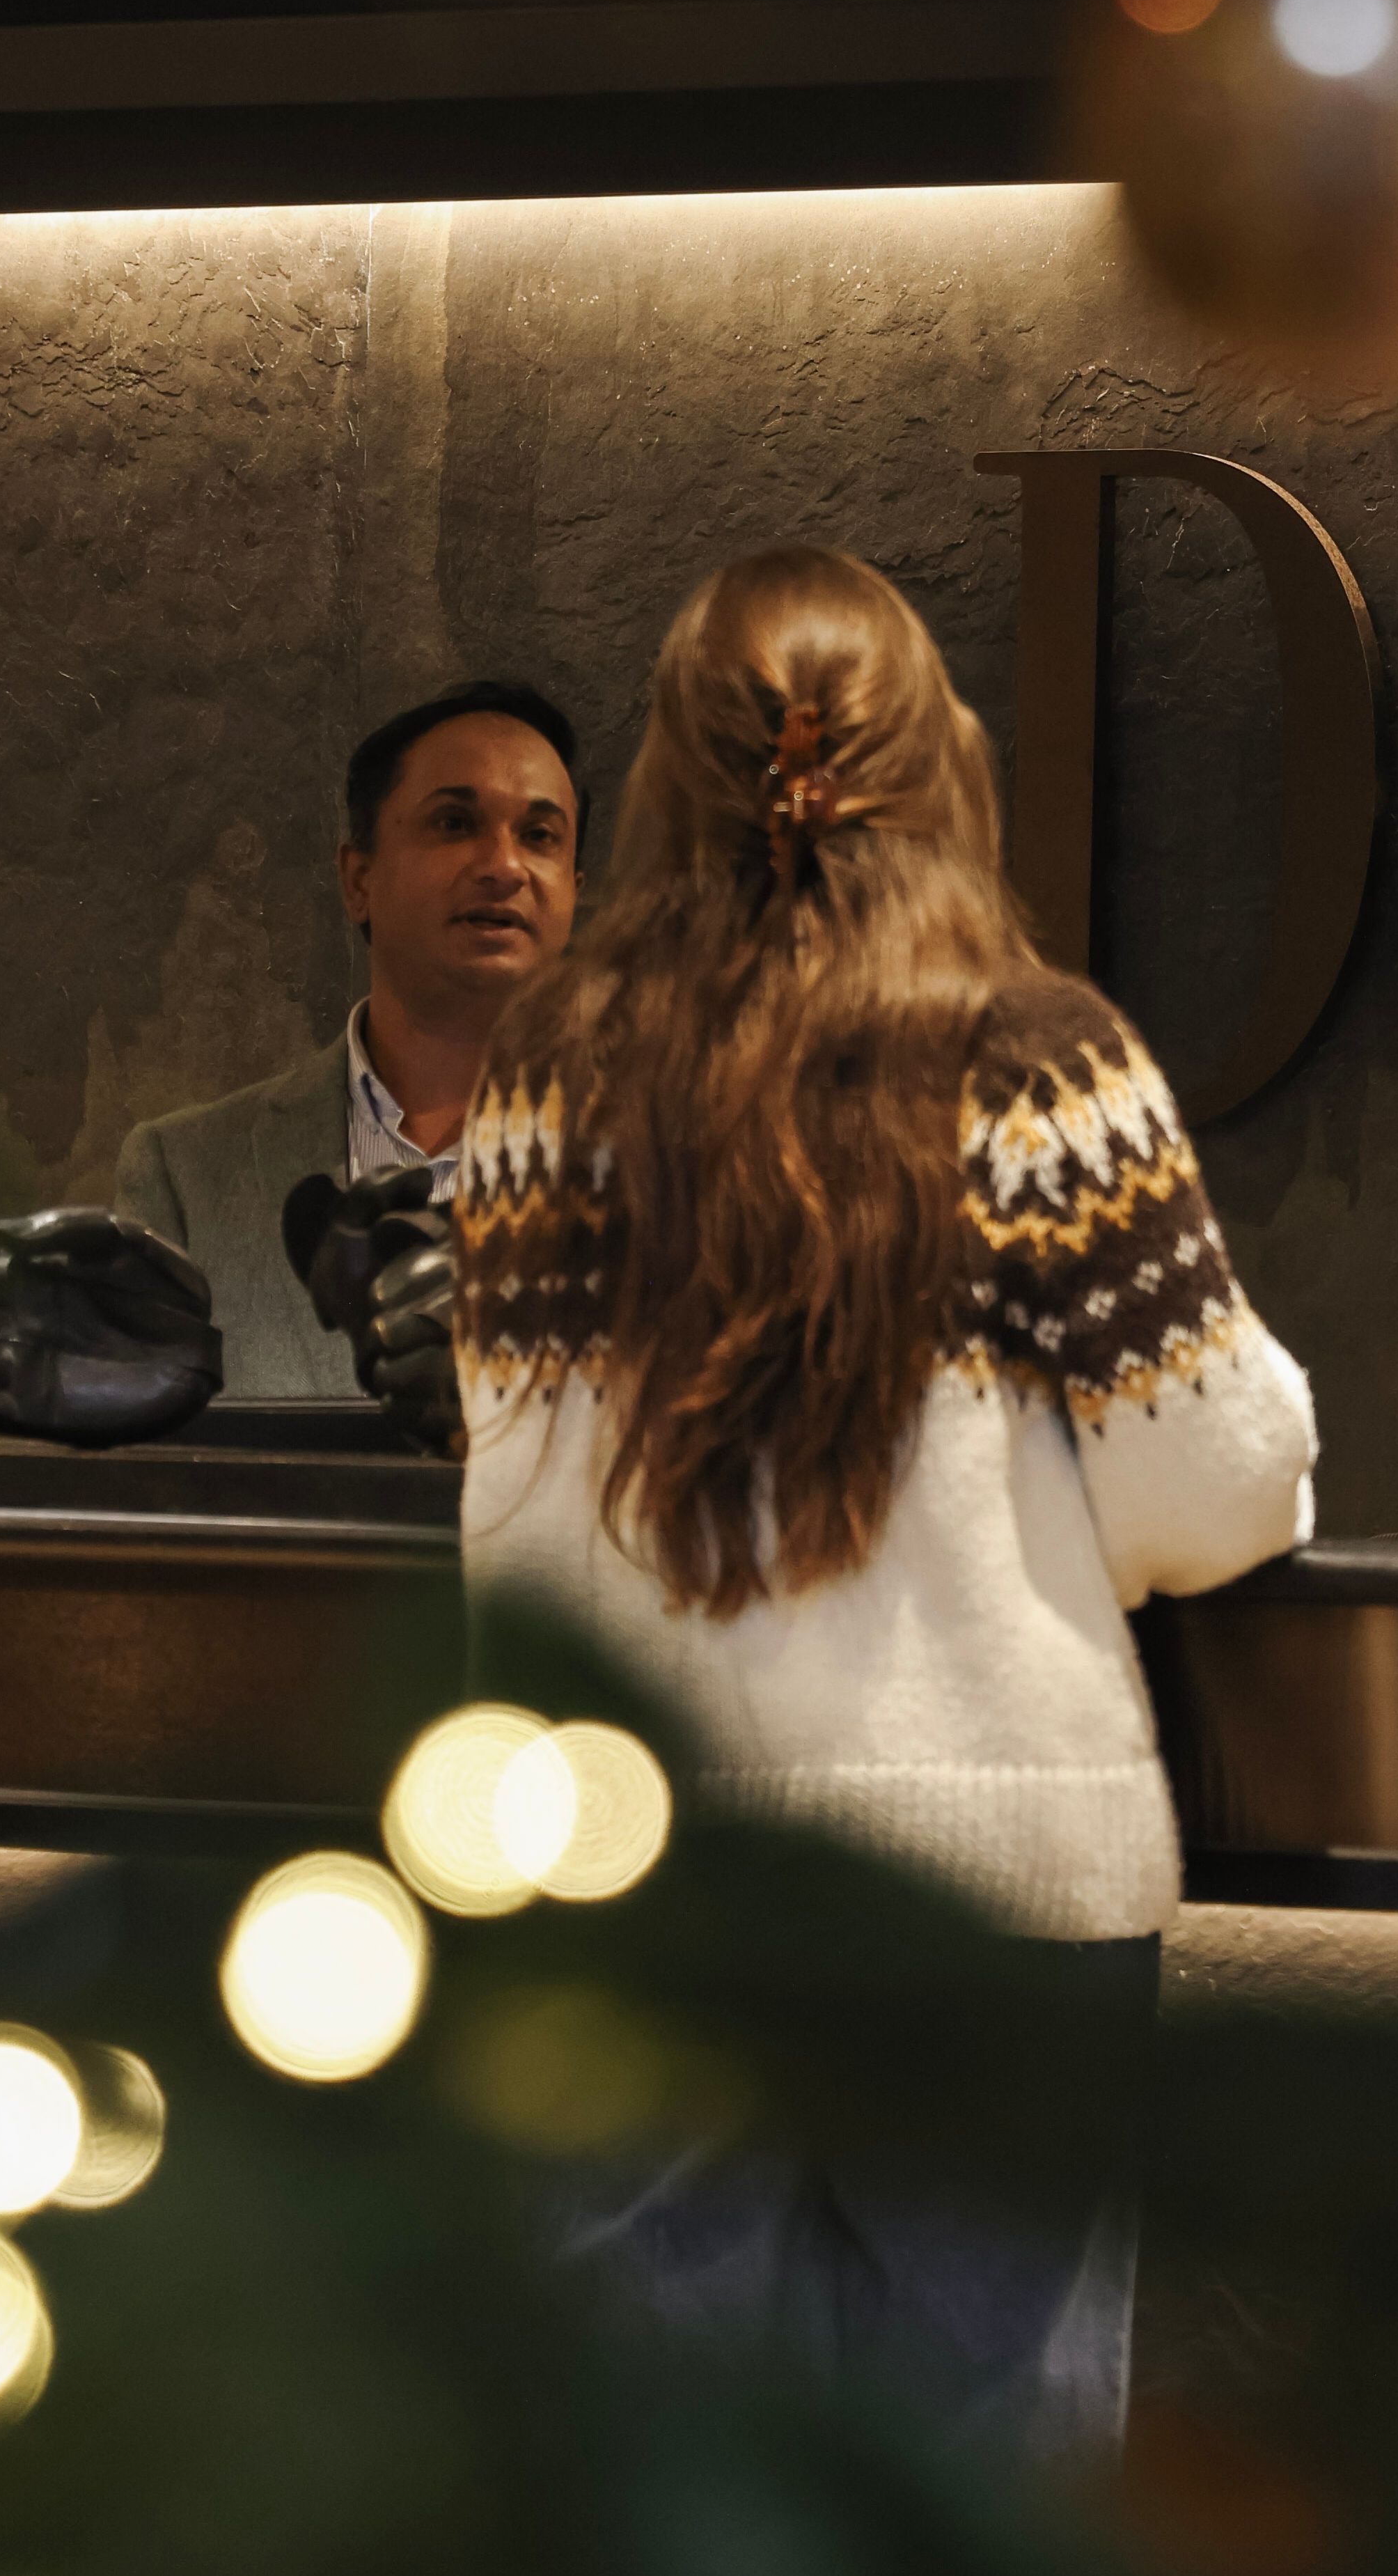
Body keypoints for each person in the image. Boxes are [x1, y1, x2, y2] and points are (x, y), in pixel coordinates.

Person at [452, 545, 1317, 2462]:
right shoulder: (1044, 1066)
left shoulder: (538, 1086)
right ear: (943, 761)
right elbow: (1219, 1487)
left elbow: (505, 1528)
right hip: (990, 1911)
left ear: (668, 779)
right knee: (979, 2498)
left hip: (624, 1890)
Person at [116, 679, 583, 1396]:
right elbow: (141, 1481)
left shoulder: (682, 1176)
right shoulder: (185, 1176)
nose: (503, 865)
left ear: (574, 889)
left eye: (539, 836)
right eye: (455, 823)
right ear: (358, 879)